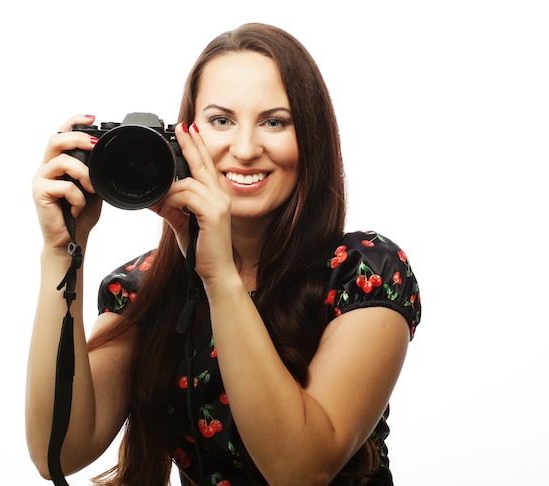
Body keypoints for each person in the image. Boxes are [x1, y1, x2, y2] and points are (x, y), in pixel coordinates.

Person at [27, 22, 421, 486]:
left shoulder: (365, 272)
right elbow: (60, 451)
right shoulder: (141, 290)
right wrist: (61, 250)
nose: (246, 148)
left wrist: (220, 278)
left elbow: (301, 471)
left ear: (310, 137)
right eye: (220, 121)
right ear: (184, 135)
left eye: (275, 121)